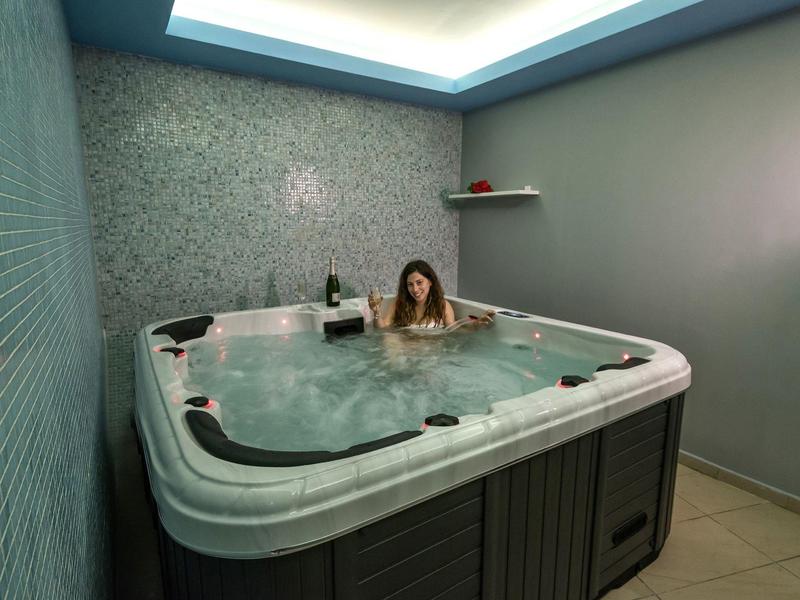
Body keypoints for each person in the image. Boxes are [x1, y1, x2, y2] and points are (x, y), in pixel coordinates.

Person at [368, 259, 494, 330]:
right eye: (410, 284)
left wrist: (476, 324)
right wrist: (376, 311)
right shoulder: (399, 303)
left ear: (430, 281)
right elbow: (382, 330)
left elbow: (454, 330)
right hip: (404, 352)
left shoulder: (442, 305)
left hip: (429, 356)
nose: (415, 289)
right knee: (391, 340)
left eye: (419, 282)